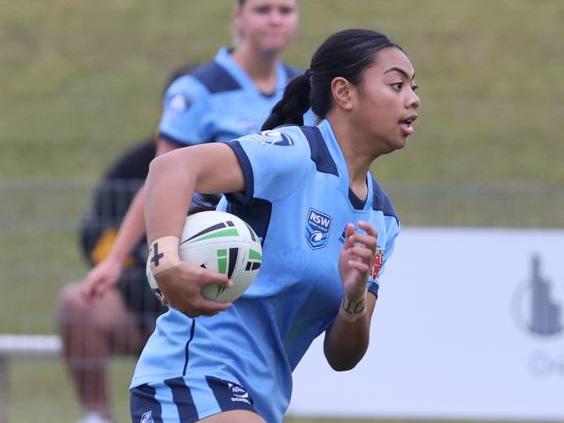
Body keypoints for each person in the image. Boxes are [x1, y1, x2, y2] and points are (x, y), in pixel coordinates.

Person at [132, 28, 420, 423]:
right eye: (396, 85)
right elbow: (171, 168)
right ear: (344, 93)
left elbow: (342, 357)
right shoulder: (297, 153)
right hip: (191, 379)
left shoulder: (381, 218)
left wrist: (353, 299)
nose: (413, 99)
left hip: (259, 404)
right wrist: (164, 262)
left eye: (413, 87)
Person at [80, 0, 302, 303]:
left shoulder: (300, 91)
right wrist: (115, 259)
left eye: (285, 11)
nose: (275, 20)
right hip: (219, 261)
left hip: (280, 262)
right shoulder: (198, 90)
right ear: (239, 17)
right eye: (263, 10)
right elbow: (159, 180)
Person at [56, 63, 200, 423]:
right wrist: (146, 278)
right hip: (140, 306)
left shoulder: (238, 168)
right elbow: (97, 238)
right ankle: (96, 415)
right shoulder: (132, 170)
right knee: (77, 302)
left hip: (213, 312)